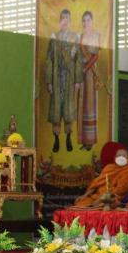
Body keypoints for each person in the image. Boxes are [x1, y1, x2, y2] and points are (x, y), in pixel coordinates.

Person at [44, 8, 81, 153]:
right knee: (56, 111)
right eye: (62, 18)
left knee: (68, 111)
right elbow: (49, 59)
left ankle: (68, 138)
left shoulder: (74, 38)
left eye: (67, 18)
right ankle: (56, 140)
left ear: (70, 21)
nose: (65, 21)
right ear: (60, 21)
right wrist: (49, 81)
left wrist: (77, 80)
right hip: (56, 78)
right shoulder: (54, 37)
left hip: (69, 79)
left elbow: (78, 60)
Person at [72, 143, 128, 209]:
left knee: (105, 204)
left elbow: (120, 190)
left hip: (114, 197)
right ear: (115, 158)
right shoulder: (109, 168)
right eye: (119, 155)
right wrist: (84, 195)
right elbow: (96, 183)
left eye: (124, 156)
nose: (121, 157)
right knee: (81, 203)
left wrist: (102, 199)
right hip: (97, 196)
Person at [77, 11, 100, 151]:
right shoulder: (81, 37)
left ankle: (90, 141)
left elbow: (96, 56)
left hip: (91, 73)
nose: (86, 23)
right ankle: (84, 140)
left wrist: (86, 69)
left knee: (90, 105)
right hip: (82, 73)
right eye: (84, 20)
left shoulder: (96, 35)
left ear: (92, 21)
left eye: (88, 20)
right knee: (82, 105)